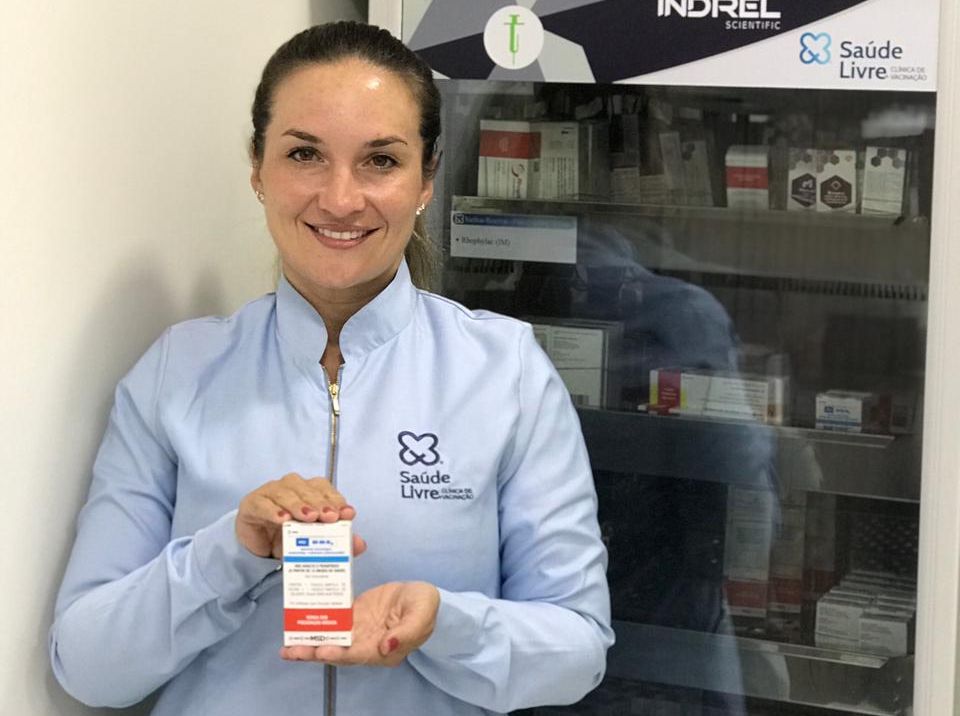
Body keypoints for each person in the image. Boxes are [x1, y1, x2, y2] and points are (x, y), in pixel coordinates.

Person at [49, 20, 613, 716]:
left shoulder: (506, 373)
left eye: (380, 160)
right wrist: (228, 553)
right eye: (305, 154)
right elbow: (87, 667)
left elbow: (578, 650)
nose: (341, 199)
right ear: (258, 168)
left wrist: (446, 626)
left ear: (427, 178)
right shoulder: (177, 372)